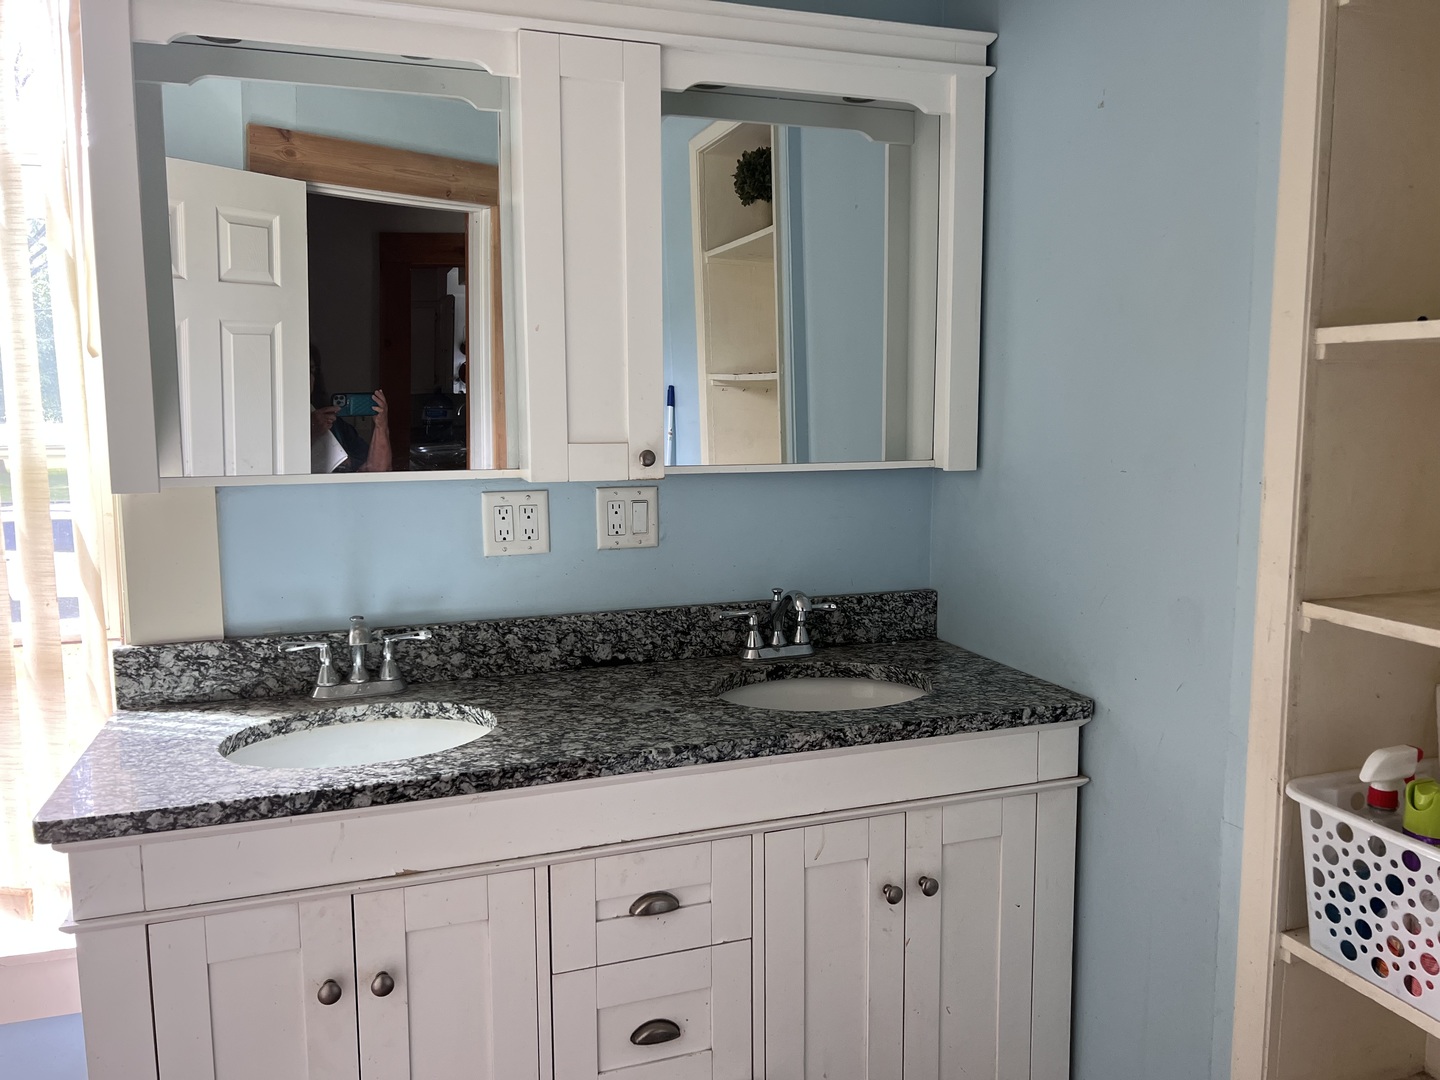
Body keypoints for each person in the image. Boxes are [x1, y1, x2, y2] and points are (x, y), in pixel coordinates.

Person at [310, 346, 392, 473]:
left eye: (312, 371)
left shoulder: (334, 425)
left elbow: (376, 470)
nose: (309, 378)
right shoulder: (279, 425)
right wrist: (312, 431)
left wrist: (381, 425)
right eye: (301, 371)